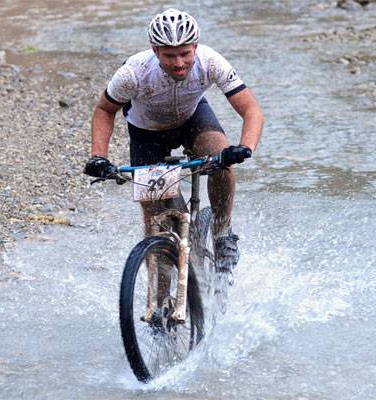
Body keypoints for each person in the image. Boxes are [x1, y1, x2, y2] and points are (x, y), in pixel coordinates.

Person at [84, 8, 264, 272]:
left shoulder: (210, 61)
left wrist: (244, 147)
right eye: (169, 55)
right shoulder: (133, 73)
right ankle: (159, 302)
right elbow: (104, 110)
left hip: (193, 118)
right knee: (160, 222)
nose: (179, 62)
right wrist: (98, 156)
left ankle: (222, 232)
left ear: (195, 47)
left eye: (185, 53)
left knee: (219, 152)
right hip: (147, 132)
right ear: (156, 51)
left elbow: (252, 110)